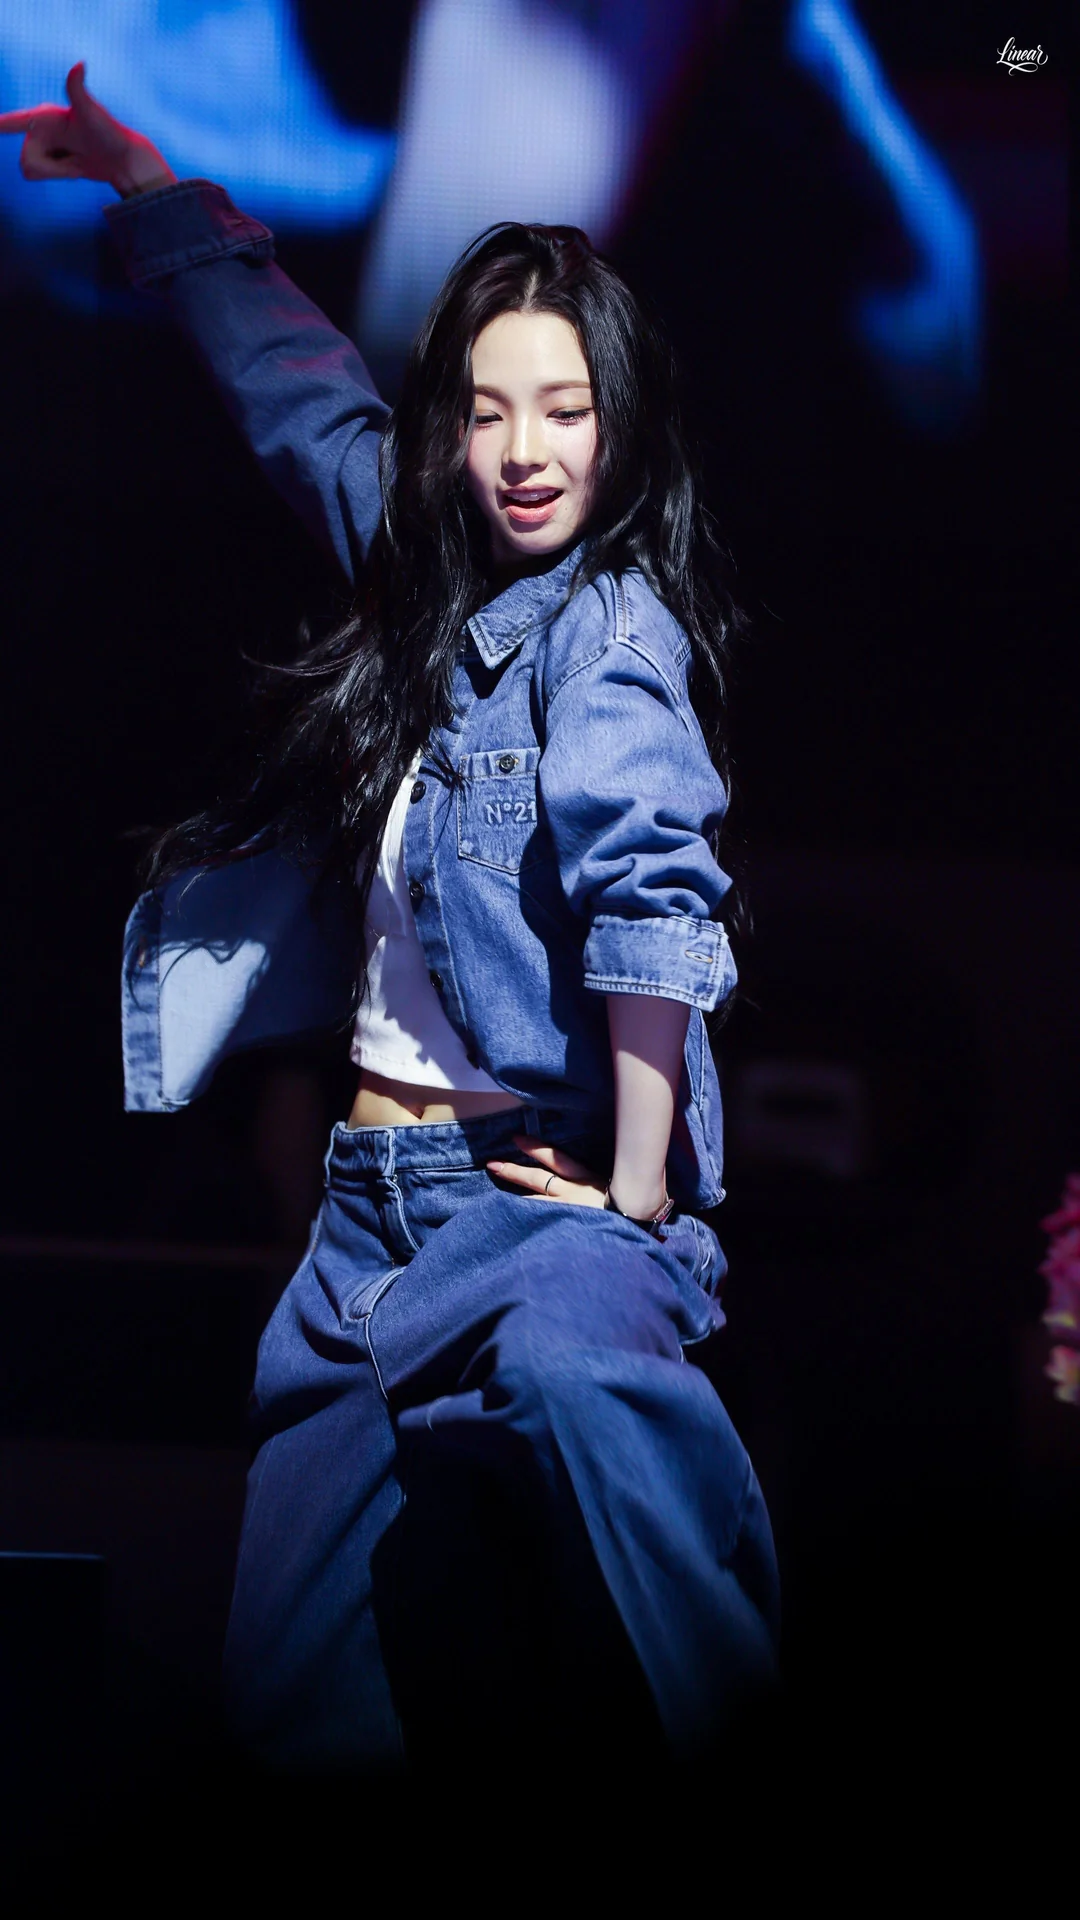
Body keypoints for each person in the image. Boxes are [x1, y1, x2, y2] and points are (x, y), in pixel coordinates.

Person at [2, 63, 779, 1777]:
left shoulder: (609, 635)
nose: (525, 453)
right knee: (292, 1701)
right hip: (364, 1230)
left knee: (582, 1378)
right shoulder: (426, 578)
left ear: (621, 423)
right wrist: (150, 191)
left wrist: (637, 1193)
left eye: (565, 410)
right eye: (490, 413)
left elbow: (655, 901)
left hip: (525, 1203)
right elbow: (302, 402)